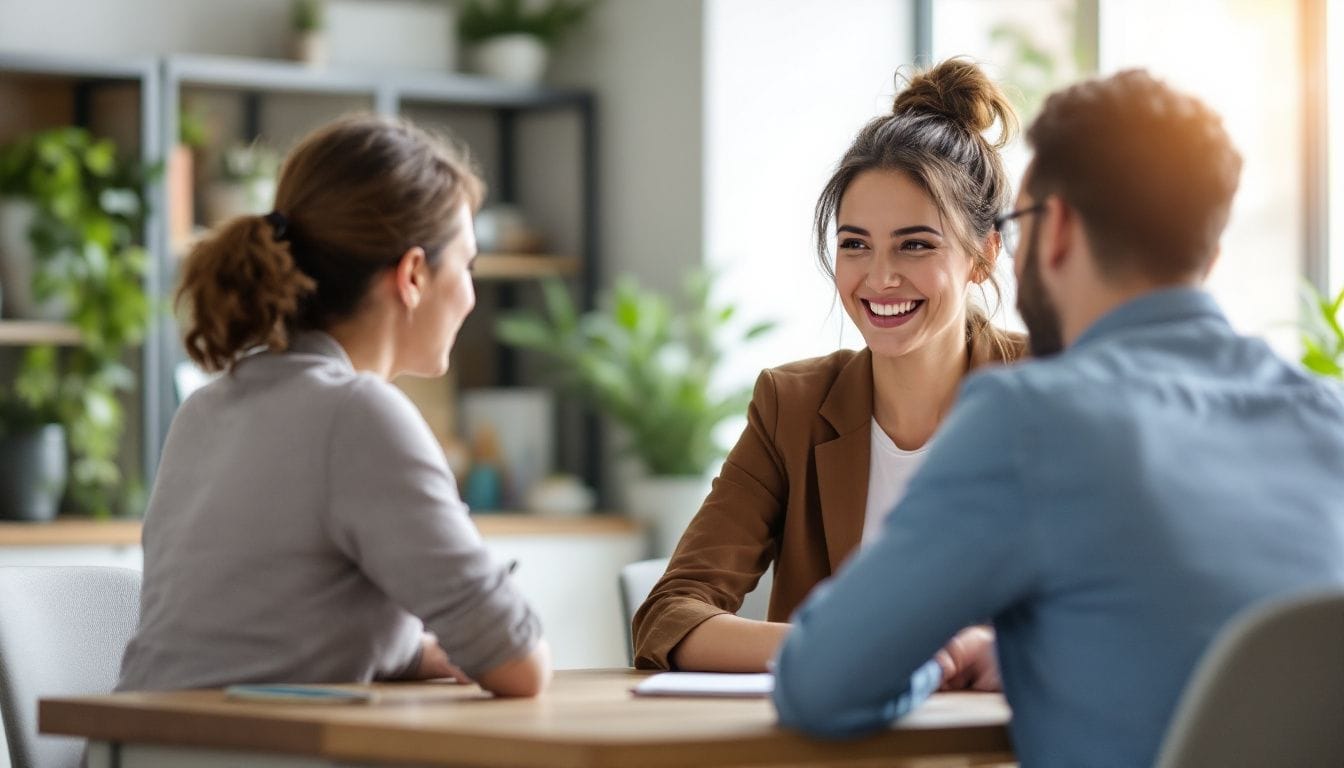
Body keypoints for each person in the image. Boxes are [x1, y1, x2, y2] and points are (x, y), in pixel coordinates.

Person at [772, 69, 1344, 768]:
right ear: (1209, 251)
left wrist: (939, 652)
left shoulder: (1031, 421)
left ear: (1059, 230)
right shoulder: (1326, 417)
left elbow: (821, 682)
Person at [117, 115, 551, 697]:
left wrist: (413, 653)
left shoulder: (208, 406)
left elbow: (282, 630)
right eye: (466, 266)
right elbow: (519, 665)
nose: (471, 295)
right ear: (414, 275)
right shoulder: (357, 412)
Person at [633, 58, 1026, 672]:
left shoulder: (1051, 390)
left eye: (915, 244)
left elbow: (1124, 611)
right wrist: (842, 648)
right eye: (855, 245)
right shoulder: (791, 407)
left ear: (983, 254)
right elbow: (670, 615)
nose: (880, 277)